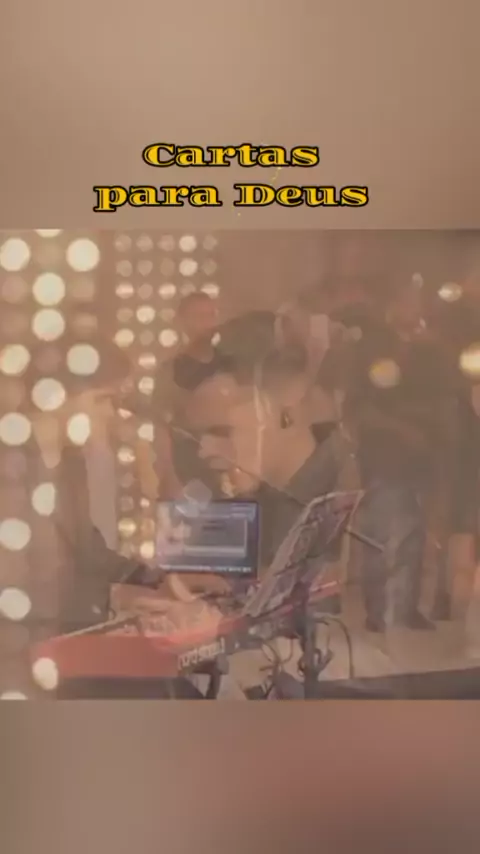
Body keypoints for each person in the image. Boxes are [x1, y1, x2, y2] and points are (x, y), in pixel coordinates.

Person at [345, 274, 460, 632]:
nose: (416, 307)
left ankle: (407, 607)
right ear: (392, 305)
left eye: (418, 300)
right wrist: (401, 429)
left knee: (416, 537)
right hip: (385, 458)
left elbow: (444, 396)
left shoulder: (430, 350)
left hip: (424, 458)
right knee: (380, 534)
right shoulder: (371, 347)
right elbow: (361, 408)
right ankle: (378, 611)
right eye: (409, 300)